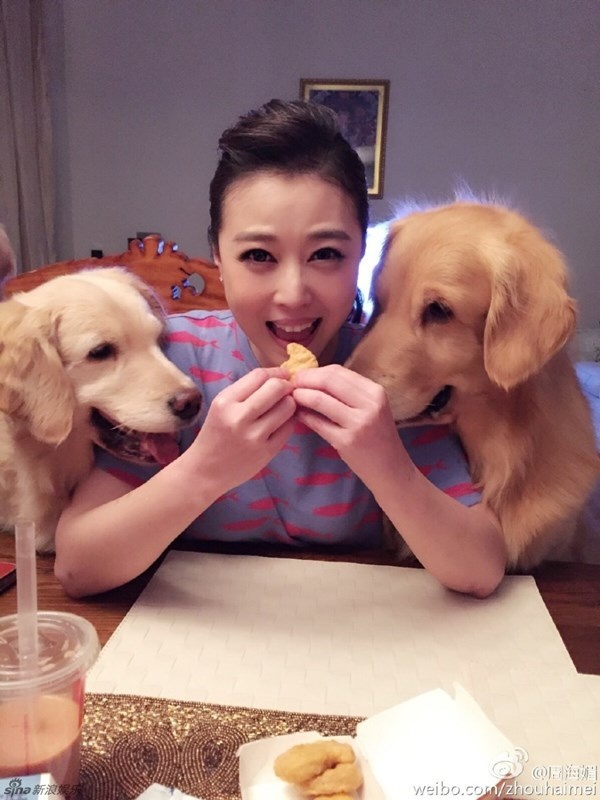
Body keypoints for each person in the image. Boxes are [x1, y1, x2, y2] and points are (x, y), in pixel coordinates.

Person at [54, 99, 506, 598]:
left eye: (326, 254)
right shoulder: (170, 365)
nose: (293, 294)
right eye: (258, 255)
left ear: (361, 254)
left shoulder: (385, 375)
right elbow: (78, 567)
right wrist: (204, 470)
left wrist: (387, 464)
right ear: (218, 257)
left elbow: (480, 569)